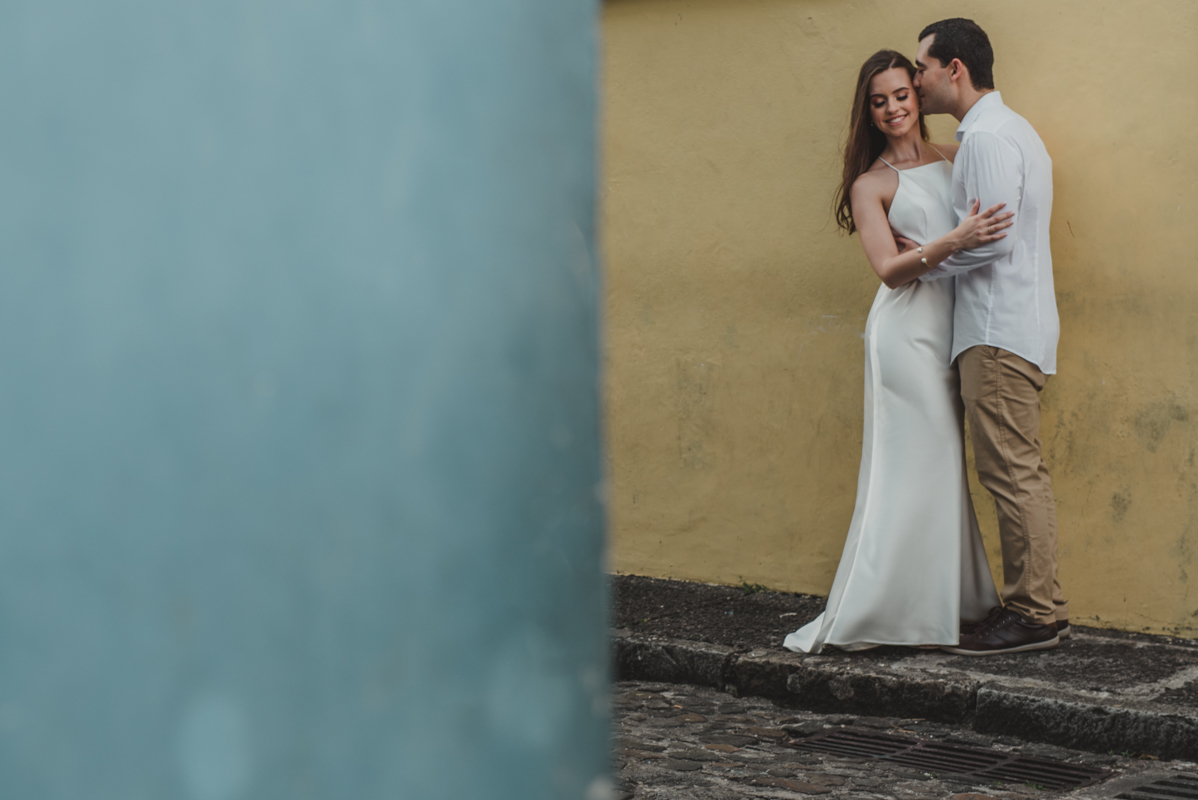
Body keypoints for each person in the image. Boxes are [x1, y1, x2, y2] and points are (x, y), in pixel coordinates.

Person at [784, 50, 1009, 654]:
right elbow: (889, 269)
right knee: (915, 463)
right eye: (878, 101)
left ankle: (949, 602)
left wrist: (938, 248)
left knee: (944, 467)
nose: (892, 109)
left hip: (952, 331)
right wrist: (952, 240)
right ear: (869, 110)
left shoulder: (957, 157)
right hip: (905, 336)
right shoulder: (871, 183)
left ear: (918, 93)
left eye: (901, 95)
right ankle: (891, 610)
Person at [910, 18, 1068, 656]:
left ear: (954, 69)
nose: (916, 81)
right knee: (1015, 468)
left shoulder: (986, 138)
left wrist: (926, 260)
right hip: (1007, 326)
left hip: (997, 330)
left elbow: (989, 238)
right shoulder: (1005, 131)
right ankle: (1040, 606)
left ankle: (1035, 613)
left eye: (921, 68)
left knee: (1010, 471)